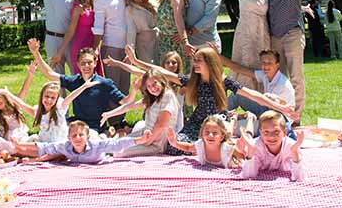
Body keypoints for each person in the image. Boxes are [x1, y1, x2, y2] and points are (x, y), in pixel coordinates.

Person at [125, 45, 297, 151]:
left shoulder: (224, 81)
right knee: (174, 148)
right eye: (194, 60)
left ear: (209, 62)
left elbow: (253, 95)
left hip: (217, 122)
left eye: (198, 60)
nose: (195, 64)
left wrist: (281, 108)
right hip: (197, 122)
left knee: (210, 145)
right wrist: (136, 61)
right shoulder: (193, 80)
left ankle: (219, 144)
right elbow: (161, 72)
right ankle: (207, 148)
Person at [264, 0, 337, 116]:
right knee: (277, 77)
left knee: (296, 76)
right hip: (275, 36)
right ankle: (279, 113)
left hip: (292, 33)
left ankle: (296, 115)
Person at [29, 38, 125, 130]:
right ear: (78, 64)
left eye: (89, 62)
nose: (86, 66)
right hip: (76, 124)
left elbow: (124, 102)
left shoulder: (105, 83)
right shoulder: (74, 81)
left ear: (95, 63)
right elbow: (49, 74)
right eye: (83, 63)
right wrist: (36, 53)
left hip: (94, 128)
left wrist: (134, 90)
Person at [100, 70, 182, 156]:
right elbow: (129, 106)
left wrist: (146, 142)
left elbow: (161, 124)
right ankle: (99, 145)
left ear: (161, 81)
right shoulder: (153, 97)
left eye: (154, 84)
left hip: (155, 144)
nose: (153, 88)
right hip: (144, 135)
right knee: (117, 144)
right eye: (149, 86)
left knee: (118, 152)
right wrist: (108, 114)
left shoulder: (167, 96)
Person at [219, 49, 296, 139]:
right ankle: (219, 115)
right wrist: (217, 56)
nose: (266, 66)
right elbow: (239, 69)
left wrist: (244, 118)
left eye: (269, 63)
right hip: (266, 109)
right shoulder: (265, 75)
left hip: (278, 119)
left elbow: (274, 113)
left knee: (233, 126)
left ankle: (219, 123)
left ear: (277, 65)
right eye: (263, 62)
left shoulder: (282, 85)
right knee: (238, 95)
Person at [18, 121, 153, 164]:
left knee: (111, 140)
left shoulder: (96, 146)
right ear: (69, 138)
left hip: (98, 140)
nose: (77, 138)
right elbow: (46, 147)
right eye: (74, 136)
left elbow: (117, 144)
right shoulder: (65, 146)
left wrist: (140, 140)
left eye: (80, 135)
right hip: (92, 136)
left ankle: (112, 131)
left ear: (86, 137)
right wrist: (20, 145)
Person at [50, 0, 99, 75]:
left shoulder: (95, 4)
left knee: (96, 82)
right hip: (80, 47)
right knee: (83, 81)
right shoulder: (78, 8)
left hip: (93, 46)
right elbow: (70, 31)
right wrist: (60, 53)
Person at [239, 110, 304, 182]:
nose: (271, 137)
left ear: (284, 132)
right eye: (266, 132)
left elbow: (299, 177)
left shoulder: (291, 145)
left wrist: (294, 151)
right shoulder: (255, 145)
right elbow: (248, 176)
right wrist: (250, 151)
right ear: (260, 132)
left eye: (276, 132)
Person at [165, 115, 245, 168]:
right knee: (228, 134)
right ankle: (232, 120)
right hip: (222, 135)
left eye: (214, 133)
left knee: (229, 134)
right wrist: (175, 143)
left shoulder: (228, 148)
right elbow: (189, 147)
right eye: (207, 132)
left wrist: (245, 151)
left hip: (229, 141)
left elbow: (245, 158)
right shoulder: (201, 144)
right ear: (202, 135)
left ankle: (234, 119)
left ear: (221, 138)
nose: (210, 135)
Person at [123, 0, 159, 65]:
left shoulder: (149, 0)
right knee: (151, 71)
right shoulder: (129, 9)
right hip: (144, 44)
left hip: (159, 39)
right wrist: (130, 52)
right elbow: (131, 31)